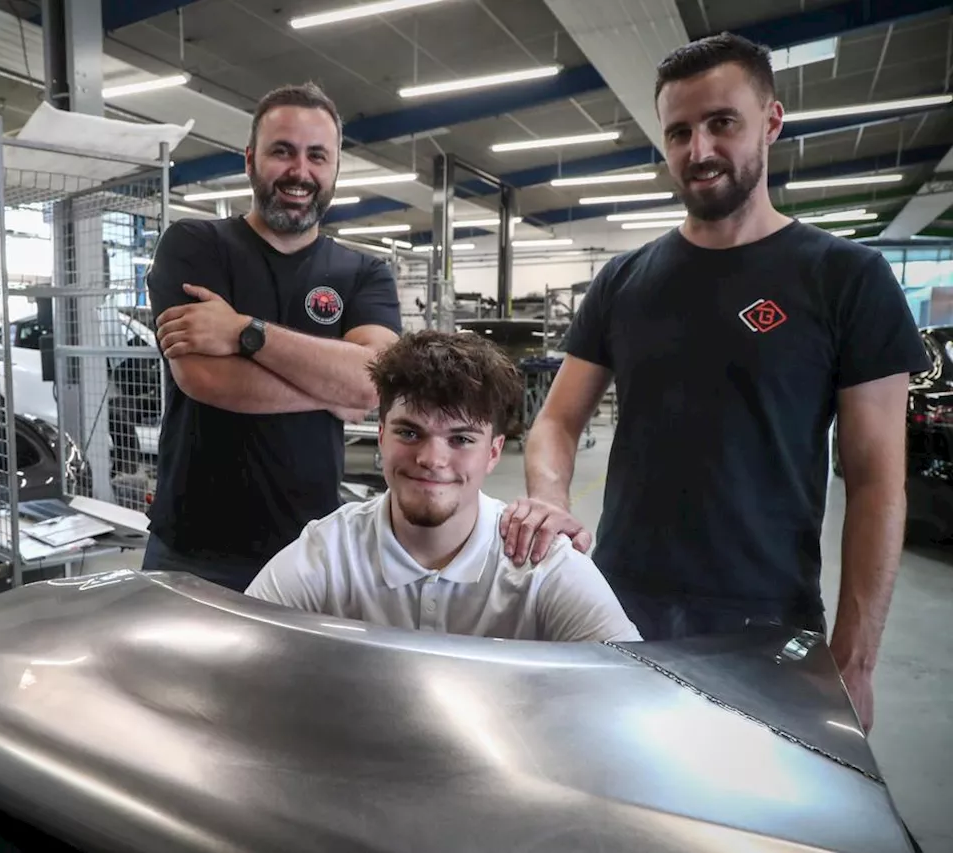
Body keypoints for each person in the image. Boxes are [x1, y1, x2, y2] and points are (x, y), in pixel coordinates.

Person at [499, 33, 930, 730]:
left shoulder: (847, 279)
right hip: (617, 603)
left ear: (771, 121)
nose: (699, 150)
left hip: (767, 617)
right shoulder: (623, 280)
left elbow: (879, 480)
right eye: (679, 132)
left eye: (722, 123)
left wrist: (855, 658)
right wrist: (552, 499)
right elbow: (555, 420)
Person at [143, 82, 403, 592]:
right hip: (193, 549)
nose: (299, 172)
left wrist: (244, 331)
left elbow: (372, 384)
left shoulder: (364, 271)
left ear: (334, 170)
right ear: (249, 159)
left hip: (313, 548)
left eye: (316, 156)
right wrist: (334, 387)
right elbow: (204, 377)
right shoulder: (195, 246)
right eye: (281, 151)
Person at [246, 330, 641, 643]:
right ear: (380, 436)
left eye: (462, 439)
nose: (432, 460)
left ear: (494, 452)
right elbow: (242, 650)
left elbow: (631, 687)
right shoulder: (328, 553)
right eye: (409, 432)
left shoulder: (543, 566)